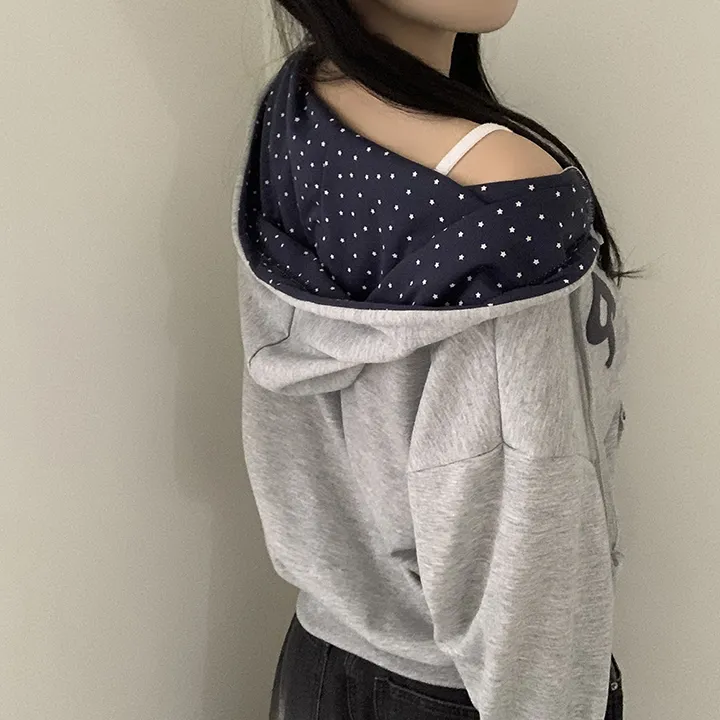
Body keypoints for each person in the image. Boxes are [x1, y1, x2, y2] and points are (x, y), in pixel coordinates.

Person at [231, 1, 640, 718]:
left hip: (324, 657)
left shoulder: (305, 105)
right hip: (467, 689)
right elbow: (526, 534)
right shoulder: (505, 199)